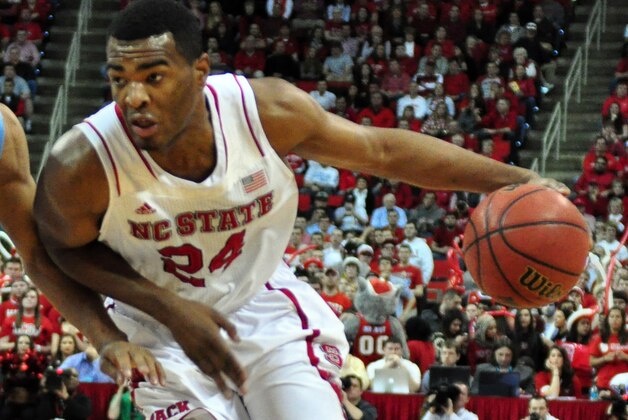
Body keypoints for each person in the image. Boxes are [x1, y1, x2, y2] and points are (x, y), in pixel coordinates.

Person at [33, 1, 568, 418]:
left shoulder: (264, 111)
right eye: (118, 79)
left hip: (259, 304)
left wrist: (515, 177)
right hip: (154, 328)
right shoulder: (83, 163)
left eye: (153, 77)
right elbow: (60, 250)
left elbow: (381, 151)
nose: (133, 98)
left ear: (200, 71)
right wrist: (157, 314)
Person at [589, 307, 628, 390]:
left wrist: (625, 357)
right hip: (604, 383)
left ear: (623, 319)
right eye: (612, 316)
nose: (614, 319)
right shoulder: (600, 338)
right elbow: (591, 362)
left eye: (618, 316)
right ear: (607, 319)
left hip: (624, 384)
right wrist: (605, 358)